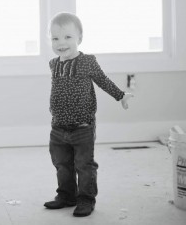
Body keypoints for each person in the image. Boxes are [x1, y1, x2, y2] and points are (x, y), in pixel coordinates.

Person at [42, 12, 134, 217]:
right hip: (57, 127)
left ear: (79, 38)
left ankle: (86, 199)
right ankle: (66, 195)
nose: (61, 43)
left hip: (82, 126)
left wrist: (121, 96)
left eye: (67, 37)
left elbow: (102, 80)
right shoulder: (54, 64)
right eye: (55, 38)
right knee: (62, 164)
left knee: (84, 165)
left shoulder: (87, 62)